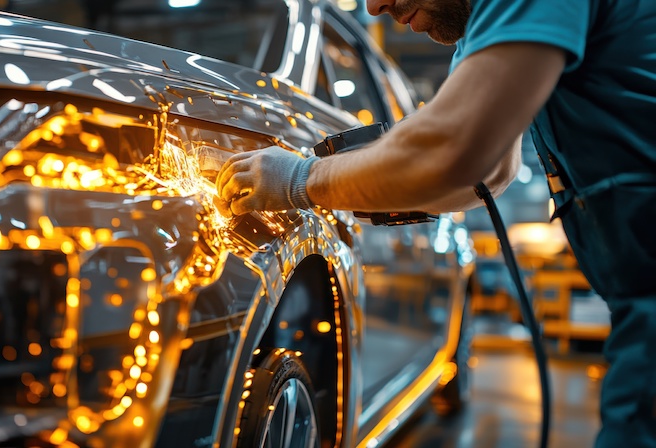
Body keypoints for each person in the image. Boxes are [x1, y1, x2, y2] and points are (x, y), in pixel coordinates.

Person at [215, 0, 656, 446]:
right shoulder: (482, 28)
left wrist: (300, 179)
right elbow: (487, 172)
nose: (375, 5)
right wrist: (366, 183)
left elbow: (454, 148)